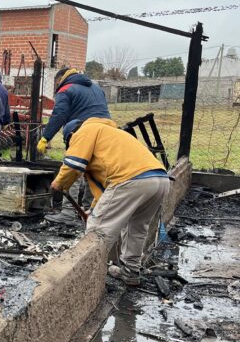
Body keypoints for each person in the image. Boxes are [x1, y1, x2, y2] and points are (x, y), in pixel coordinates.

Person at [50, 117, 171, 286]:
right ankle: (130, 272)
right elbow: (106, 193)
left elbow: (73, 163)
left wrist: (59, 183)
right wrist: (93, 210)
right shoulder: (110, 135)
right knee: (136, 228)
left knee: (97, 229)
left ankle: (87, 279)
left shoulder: (86, 130)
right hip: (160, 179)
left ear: (71, 136)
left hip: (130, 180)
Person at [38, 67, 111, 225]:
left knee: (74, 167)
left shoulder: (66, 89)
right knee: (94, 169)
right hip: (106, 132)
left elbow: (59, 114)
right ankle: (90, 210)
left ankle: (68, 212)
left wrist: (45, 137)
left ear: (60, 80)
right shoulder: (96, 87)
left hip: (82, 132)